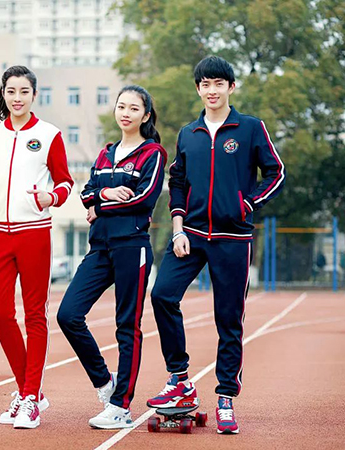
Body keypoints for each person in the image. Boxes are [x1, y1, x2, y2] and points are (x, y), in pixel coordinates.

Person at [147, 55, 286, 434]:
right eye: (205, 84)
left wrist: (247, 203)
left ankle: (226, 398)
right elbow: (177, 182)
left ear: (231, 87)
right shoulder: (188, 134)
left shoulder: (250, 128)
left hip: (233, 238)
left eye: (218, 84)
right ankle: (179, 378)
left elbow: (276, 172)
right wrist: (178, 228)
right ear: (198, 89)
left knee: (228, 319)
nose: (212, 90)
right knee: (162, 295)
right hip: (190, 234)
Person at [57, 85, 166, 429]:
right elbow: (85, 194)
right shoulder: (105, 154)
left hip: (132, 247)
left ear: (145, 116)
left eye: (134, 108)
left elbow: (144, 199)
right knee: (68, 314)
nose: (126, 113)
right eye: (121, 106)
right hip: (99, 248)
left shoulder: (153, 154)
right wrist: (104, 193)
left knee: (127, 325)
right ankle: (105, 382)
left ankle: (120, 406)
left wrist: (100, 206)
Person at [0, 65, 73, 429]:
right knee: (0, 314)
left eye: (24, 91)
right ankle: (29, 390)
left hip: (34, 233)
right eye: (11, 91)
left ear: (34, 95)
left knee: (35, 315)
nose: (17, 98)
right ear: (3, 94)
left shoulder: (49, 134)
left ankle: (30, 397)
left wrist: (51, 197)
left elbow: (65, 181)